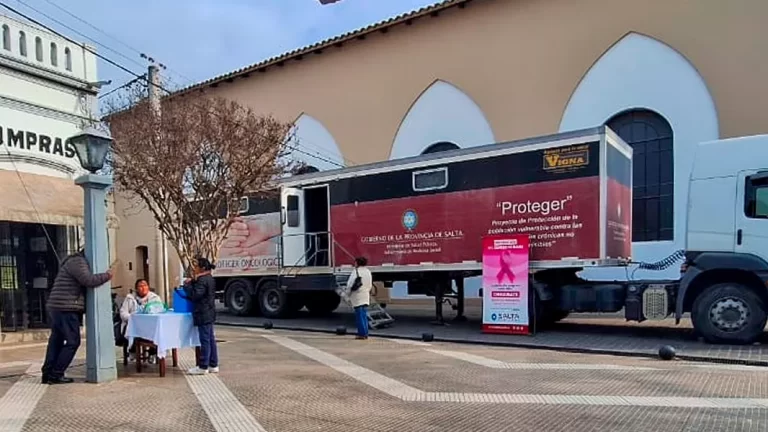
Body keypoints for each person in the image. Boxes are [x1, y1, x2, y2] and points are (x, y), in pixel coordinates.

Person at [42, 249, 113, 384]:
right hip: (66, 307)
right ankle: (56, 373)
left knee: (56, 341)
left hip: (58, 307)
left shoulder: (72, 261)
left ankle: (48, 372)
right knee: (73, 342)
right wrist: (107, 275)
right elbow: (88, 280)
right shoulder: (78, 262)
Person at [183, 257, 219, 375]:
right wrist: (193, 282)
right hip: (209, 312)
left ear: (202, 268)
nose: (195, 268)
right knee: (210, 339)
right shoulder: (209, 278)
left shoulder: (203, 280)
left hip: (203, 312)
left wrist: (187, 286)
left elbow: (195, 295)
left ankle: (203, 366)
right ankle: (213, 364)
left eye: (196, 266)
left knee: (205, 340)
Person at [119, 278, 162, 362]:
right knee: (132, 330)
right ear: (136, 288)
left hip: (149, 326)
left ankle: (152, 353)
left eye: (145, 285)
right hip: (133, 324)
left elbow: (160, 311)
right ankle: (133, 351)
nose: (143, 288)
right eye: (140, 286)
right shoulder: (130, 298)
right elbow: (123, 313)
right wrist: (132, 318)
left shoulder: (154, 298)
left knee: (157, 331)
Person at [346, 256, 373, 340]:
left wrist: (347, 294)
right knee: (364, 315)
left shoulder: (356, 271)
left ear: (357, 263)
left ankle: (362, 334)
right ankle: (365, 333)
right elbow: (370, 284)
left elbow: (350, 284)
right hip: (365, 295)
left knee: (359, 315)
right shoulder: (368, 271)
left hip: (357, 296)